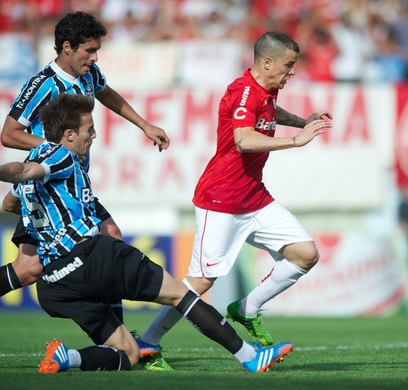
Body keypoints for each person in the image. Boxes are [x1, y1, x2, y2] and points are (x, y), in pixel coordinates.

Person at [0, 93, 293, 374]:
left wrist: (48, 210)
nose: (94, 135)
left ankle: (66, 357)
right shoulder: (60, 154)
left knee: (128, 354)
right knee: (181, 294)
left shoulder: (37, 164)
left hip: (55, 285)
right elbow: (24, 170)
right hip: (89, 256)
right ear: (68, 134)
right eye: (89, 130)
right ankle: (250, 356)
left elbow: (10, 202)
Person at [0, 10, 173, 369]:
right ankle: (124, 345)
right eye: (90, 51)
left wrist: (144, 124)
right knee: (94, 241)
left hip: (72, 185)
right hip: (53, 183)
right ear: (67, 47)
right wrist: (55, 153)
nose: (95, 58)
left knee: (30, 267)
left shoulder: (88, 74)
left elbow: (107, 93)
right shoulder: (42, 84)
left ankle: (122, 344)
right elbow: (9, 133)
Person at [133, 31, 332, 355]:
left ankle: (247, 308)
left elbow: (270, 114)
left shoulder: (265, 92)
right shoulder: (243, 92)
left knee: (305, 254)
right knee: (199, 283)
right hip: (221, 200)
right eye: (288, 65)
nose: (292, 72)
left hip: (254, 196)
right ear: (267, 62)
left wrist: (301, 122)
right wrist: (297, 141)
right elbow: (244, 139)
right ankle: (148, 341)